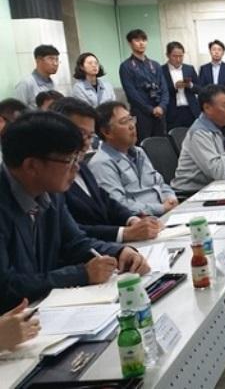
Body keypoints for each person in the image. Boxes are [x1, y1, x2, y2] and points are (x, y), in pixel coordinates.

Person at [0, 111, 149, 312]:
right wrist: (81, 274)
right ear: (32, 166)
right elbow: (6, 287)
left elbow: (75, 242)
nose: (76, 168)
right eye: (69, 160)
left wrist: (119, 252)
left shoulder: (50, 193)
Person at [50, 98, 162, 243]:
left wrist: (131, 219)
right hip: (96, 247)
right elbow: (69, 230)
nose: (86, 142)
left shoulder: (81, 165)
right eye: (81, 133)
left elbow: (106, 201)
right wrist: (123, 233)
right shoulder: (53, 177)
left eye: (90, 136)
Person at [89, 101, 178, 216]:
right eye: (124, 122)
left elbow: (160, 183)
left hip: (167, 213)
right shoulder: (101, 163)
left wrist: (171, 197)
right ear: (107, 132)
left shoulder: (139, 152)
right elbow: (119, 205)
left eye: (131, 119)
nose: (132, 126)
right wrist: (161, 208)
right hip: (142, 221)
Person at [119, 29, 169, 142]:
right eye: (137, 40)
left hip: (160, 112)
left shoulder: (155, 65)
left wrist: (162, 106)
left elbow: (164, 89)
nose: (141, 43)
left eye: (144, 40)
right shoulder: (126, 66)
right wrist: (150, 109)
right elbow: (131, 94)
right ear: (130, 43)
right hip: (141, 113)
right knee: (144, 143)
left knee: (162, 144)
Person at [162, 41, 201, 130]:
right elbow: (161, 91)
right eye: (175, 56)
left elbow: (200, 89)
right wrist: (174, 87)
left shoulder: (189, 69)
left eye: (181, 56)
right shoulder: (162, 70)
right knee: (174, 135)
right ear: (168, 55)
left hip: (190, 110)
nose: (178, 59)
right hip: (172, 111)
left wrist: (190, 85)